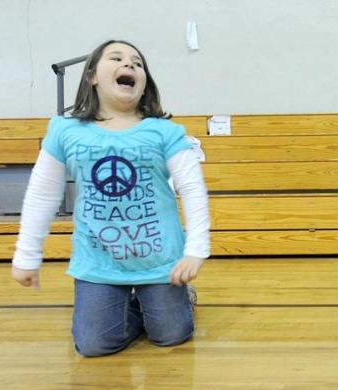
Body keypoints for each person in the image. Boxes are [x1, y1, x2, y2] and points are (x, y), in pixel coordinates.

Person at [11, 40, 210, 356]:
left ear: (144, 83)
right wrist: (26, 255)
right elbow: (42, 193)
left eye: (137, 63)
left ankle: (174, 301)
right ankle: (130, 308)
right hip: (98, 259)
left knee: (171, 334)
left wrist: (195, 250)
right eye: (116, 58)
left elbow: (192, 189)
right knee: (94, 344)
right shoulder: (65, 130)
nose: (129, 65)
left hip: (160, 260)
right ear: (92, 75)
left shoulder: (164, 132)